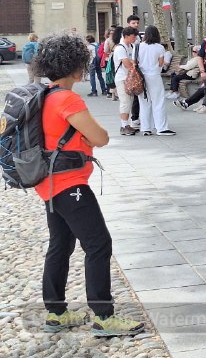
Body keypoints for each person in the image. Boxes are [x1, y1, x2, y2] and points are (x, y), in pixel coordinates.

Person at [33, 33, 145, 337]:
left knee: (61, 245)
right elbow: (100, 138)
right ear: (75, 66)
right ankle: (104, 317)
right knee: (98, 245)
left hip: (49, 183)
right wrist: (87, 136)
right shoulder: (67, 98)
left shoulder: (43, 96)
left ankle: (56, 313)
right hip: (71, 186)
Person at [136, 26, 175, 136]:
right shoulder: (159, 47)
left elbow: (135, 61)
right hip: (154, 76)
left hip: (141, 77)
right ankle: (161, 128)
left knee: (144, 102)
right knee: (158, 102)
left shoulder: (138, 46)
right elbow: (161, 63)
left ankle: (146, 128)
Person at [112, 27, 138, 135]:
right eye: (133, 36)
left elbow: (133, 61)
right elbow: (127, 64)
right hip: (122, 78)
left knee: (129, 101)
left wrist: (133, 62)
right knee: (125, 102)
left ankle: (127, 125)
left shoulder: (130, 46)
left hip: (129, 78)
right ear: (126, 36)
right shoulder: (120, 48)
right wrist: (134, 63)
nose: (135, 38)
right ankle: (124, 126)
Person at [126, 15, 141, 130]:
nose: (136, 25)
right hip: (130, 71)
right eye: (133, 23)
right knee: (133, 97)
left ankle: (136, 117)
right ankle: (133, 119)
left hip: (137, 68)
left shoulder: (139, 37)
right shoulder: (125, 39)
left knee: (137, 95)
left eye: (137, 23)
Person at [102, 28, 115, 99]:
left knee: (109, 75)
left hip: (109, 59)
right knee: (113, 75)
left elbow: (106, 50)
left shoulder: (107, 40)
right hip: (114, 59)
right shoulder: (117, 40)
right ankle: (112, 92)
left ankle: (109, 92)